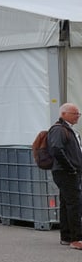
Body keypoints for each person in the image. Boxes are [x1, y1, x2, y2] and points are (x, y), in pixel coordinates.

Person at [48, 103, 82, 249]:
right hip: (66, 172)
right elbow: (56, 149)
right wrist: (71, 168)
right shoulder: (59, 130)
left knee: (67, 203)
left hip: (67, 171)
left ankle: (67, 236)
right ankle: (76, 239)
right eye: (75, 113)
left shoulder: (68, 130)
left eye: (78, 114)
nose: (78, 116)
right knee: (74, 204)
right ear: (64, 114)